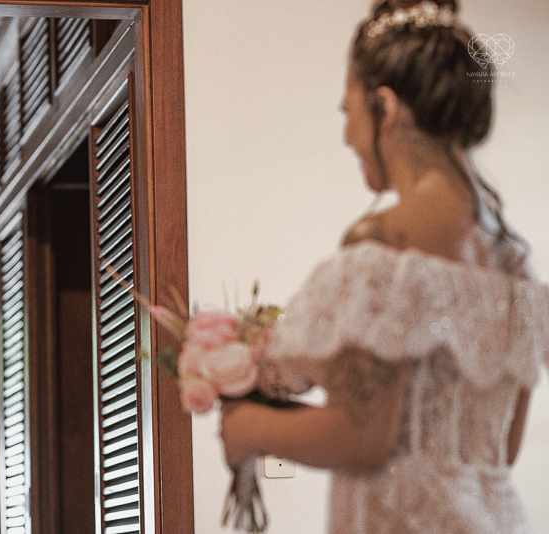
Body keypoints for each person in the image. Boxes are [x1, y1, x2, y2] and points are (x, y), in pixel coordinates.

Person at [219, 1, 548, 533]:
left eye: (347, 111)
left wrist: (249, 428)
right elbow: (500, 449)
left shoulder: (387, 245)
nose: (348, 135)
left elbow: (363, 439)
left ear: (386, 108)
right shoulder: (518, 266)